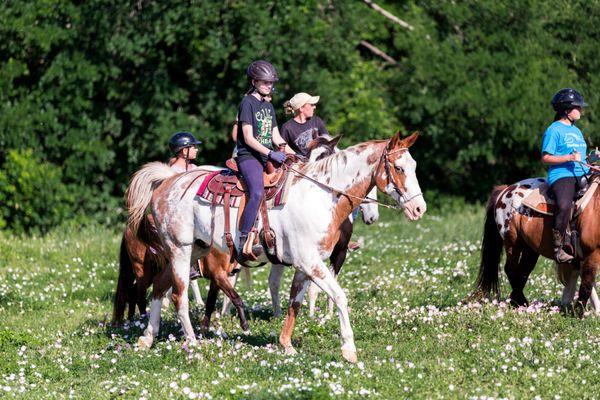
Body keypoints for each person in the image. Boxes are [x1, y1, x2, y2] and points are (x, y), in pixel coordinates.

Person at [235, 60, 292, 262]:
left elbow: (276, 136)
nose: (269, 86)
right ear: (254, 81)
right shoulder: (247, 103)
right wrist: (270, 154)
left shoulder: (268, 106)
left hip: (267, 154)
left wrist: (293, 153)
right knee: (258, 191)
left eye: (271, 82)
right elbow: (248, 137)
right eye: (265, 82)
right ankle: (242, 239)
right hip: (248, 156)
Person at [541, 88, 589, 263]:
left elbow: (581, 157)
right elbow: (545, 157)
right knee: (564, 205)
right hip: (562, 175)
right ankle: (558, 247)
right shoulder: (554, 130)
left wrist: (592, 159)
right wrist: (568, 157)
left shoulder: (577, 131)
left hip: (582, 172)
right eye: (578, 107)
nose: (581, 110)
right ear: (567, 109)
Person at [167, 131, 203, 279]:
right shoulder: (171, 172)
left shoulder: (196, 169)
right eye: (193, 147)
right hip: (177, 216)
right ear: (184, 150)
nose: (196, 149)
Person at [281, 92, 329, 157]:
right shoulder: (287, 127)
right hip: (300, 165)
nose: (314, 107)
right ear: (301, 108)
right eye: (311, 105)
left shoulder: (317, 121)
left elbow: (328, 142)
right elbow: (282, 150)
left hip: (318, 163)